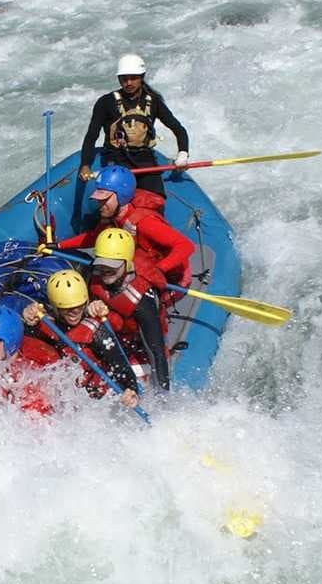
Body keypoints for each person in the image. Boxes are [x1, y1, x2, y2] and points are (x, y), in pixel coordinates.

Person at [58, 165, 195, 293]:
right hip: (145, 265)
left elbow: (186, 246)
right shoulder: (112, 216)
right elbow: (95, 237)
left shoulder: (144, 222)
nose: (100, 204)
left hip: (171, 275)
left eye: (105, 198)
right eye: (99, 199)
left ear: (122, 196)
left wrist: (159, 269)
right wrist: (59, 245)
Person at [22, 269, 141, 407]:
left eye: (79, 306)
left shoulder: (96, 331)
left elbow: (122, 367)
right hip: (66, 397)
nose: (74, 312)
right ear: (55, 307)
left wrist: (131, 390)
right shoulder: (47, 324)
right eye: (66, 308)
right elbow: (25, 345)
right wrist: (28, 320)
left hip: (97, 398)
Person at [78, 53, 190, 198]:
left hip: (145, 160)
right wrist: (85, 165)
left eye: (133, 78)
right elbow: (91, 136)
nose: (128, 83)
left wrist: (183, 154)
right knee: (113, 205)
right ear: (119, 79)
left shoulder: (153, 101)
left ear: (142, 77)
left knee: (155, 201)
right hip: (117, 161)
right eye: (124, 79)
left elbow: (179, 130)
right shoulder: (105, 102)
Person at [86, 228, 173, 390]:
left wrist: (162, 397)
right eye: (102, 265)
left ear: (127, 263)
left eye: (112, 266)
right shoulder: (96, 278)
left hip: (139, 347)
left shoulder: (141, 301)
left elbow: (156, 352)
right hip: (113, 340)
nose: (105, 271)